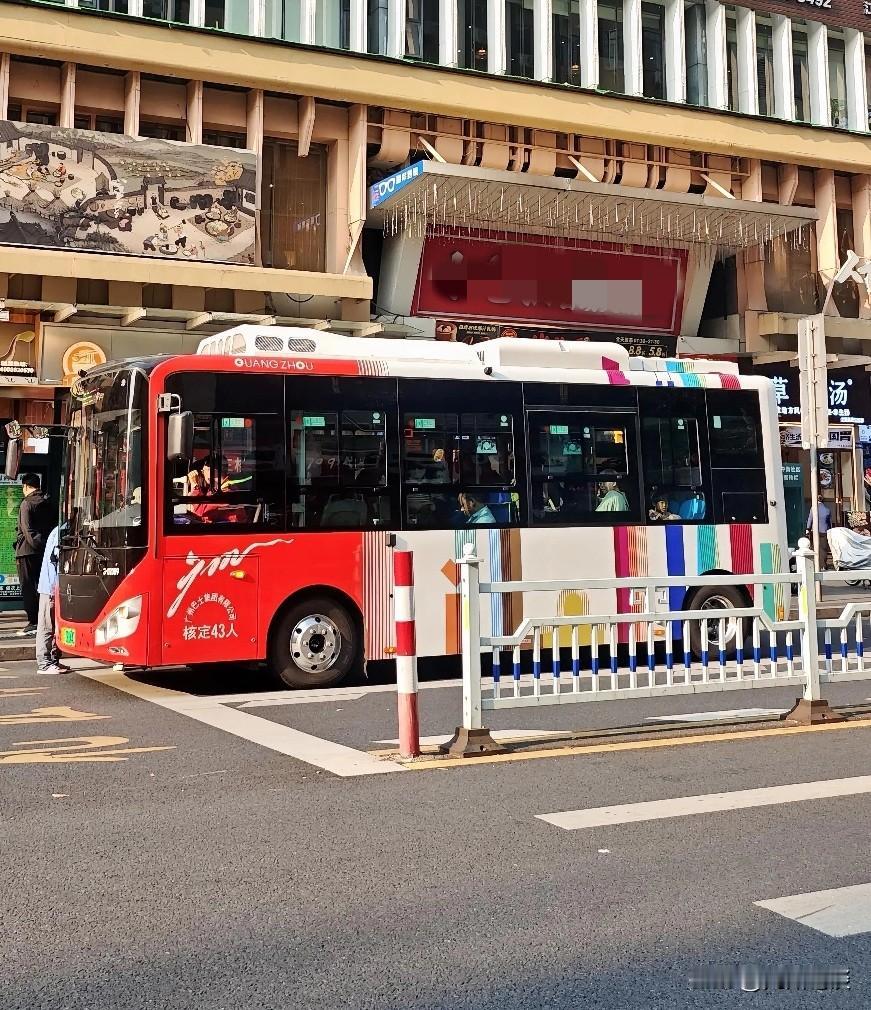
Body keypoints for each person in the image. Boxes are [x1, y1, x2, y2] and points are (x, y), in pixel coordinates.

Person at [14, 474, 54, 636]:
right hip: (44, 550)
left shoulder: (26, 503)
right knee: (41, 586)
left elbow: (27, 529)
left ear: (25, 486)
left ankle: (33, 621)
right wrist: (44, 547)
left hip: (27, 551)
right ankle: (43, 619)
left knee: (28, 587)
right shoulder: (47, 502)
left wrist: (35, 545)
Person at [35, 525, 68, 675]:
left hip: (54, 586)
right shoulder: (60, 532)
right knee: (47, 626)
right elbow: (56, 559)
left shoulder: (61, 530)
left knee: (54, 626)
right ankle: (44, 663)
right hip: (50, 587)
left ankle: (54, 660)